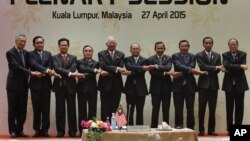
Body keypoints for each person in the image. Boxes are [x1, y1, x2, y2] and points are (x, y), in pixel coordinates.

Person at [6, 34, 42, 138]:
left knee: (22, 109)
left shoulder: (26, 53)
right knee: (12, 109)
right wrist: (32, 73)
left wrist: (44, 71)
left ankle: (19, 130)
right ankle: (12, 131)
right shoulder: (10, 52)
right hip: (13, 86)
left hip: (24, 85)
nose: (22, 43)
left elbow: (33, 64)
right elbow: (16, 67)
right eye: (21, 41)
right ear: (16, 41)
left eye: (24, 41)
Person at [28, 36, 58, 137]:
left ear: (43, 43)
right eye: (37, 43)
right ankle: (37, 130)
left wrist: (45, 72)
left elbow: (50, 65)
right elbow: (33, 65)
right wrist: (46, 71)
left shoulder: (48, 54)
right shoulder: (30, 54)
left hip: (46, 85)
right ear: (34, 44)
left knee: (46, 109)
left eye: (41, 42)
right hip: (35, 86)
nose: (40, 44)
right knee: (36, 109)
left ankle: (45, 130)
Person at [172, 40, 205, 129]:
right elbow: (178, 65)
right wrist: (191, 71)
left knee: (190, 108)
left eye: (186, 46)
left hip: (190, 86)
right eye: (182, 46)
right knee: (178, 108)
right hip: (177, 86)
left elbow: (192, 66)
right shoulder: (175, 56)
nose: (184, 48)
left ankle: (191, 127)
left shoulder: (193, 56)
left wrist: (188, 70)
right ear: (179, 47)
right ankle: (179, 125)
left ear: (188, 47)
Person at [52, 38, 82, 137]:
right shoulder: (54, 57)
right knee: (59, 110)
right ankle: (60, 131)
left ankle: (72, 131)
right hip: (59, 87)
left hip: (71, 87)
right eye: (62, 45)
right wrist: (69, 73)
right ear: (59, 46)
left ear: (68, 46)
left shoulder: (73, 57)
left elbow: (73, 68)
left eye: (65, 45)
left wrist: (66, 73)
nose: (64, 46)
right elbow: (56, 68)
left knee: (72, 110)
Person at [196, 37, 223, 136]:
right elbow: (202, 67)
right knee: (201, 108)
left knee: (212, 109)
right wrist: (215, 67)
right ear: (203, 44)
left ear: (212, 44)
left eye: (210, 43)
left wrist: (212, 69)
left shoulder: (217, 55)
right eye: (206, 43)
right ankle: (201, 130)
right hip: (203, 86)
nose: (208, 44)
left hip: (213, 85)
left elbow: (219, 69)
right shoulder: (199, 55)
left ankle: (211, 130)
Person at [222, 38, 249, 135]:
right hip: (228, 85)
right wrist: (240, 66)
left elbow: (228, 67)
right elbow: (226, 65)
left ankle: (238, 131)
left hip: (240, 85)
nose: (233, 46)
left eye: (234, 44)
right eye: (231, 44)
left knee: (239, 108)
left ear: (237, 45)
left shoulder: (243, 54)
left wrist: (229, 68)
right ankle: (230, 130)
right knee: (229, 108)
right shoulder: (225, 54)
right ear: (228, 46)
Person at [98, 36, 125, 121]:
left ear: (116, 44)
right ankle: (104, 126)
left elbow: (121, 66)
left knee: (115, 106)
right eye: (110, 43)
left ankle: (114, 126)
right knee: (105, 106)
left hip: (117, 84)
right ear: (106, 44)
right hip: (104, 84)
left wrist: (112, 68)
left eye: (114, 43)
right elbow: (103, 66)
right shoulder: (101, 53)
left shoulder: (121, 54)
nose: (112, 44)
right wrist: (116, 69)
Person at [123, 43, 152, 125]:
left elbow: (141, 73)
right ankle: (129, 127)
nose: (135, 50)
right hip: (129, 88)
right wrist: (141, 67)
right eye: (134, 49)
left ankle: (140, 129)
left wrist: (130, 72)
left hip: (141, 89)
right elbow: (129, 67)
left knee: (140, 110)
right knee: (130, 110)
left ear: (140, 50)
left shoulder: (145, 60)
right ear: (130, 50)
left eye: (137, 49)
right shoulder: (127, 59)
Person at [76, 45, 100, 135]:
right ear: (83, 52)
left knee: (92, 111)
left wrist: (84, 74)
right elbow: (81, 69)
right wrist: (94, 70)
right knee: (82, 111)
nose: (88, 52)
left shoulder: (96, 63)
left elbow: (89, 74)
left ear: (92, 52)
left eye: (90, 51)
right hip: (81, 89)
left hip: (92, 90)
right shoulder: (79, 62)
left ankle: (92, 130)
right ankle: (82, 131)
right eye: (86, 51)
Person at [148, 41, 172, 128]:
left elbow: (168, 68)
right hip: (155, 88)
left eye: (162, 48)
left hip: (167, 87)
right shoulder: (150, 59)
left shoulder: (169, 58)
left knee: (166, 109)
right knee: (155, 109)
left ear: (164, 49)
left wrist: (157, 67)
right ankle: (153, 127)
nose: (160, 50)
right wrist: (165, 73)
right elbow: (153, 73)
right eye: (158, 48)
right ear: (155, 49)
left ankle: (166, 127)